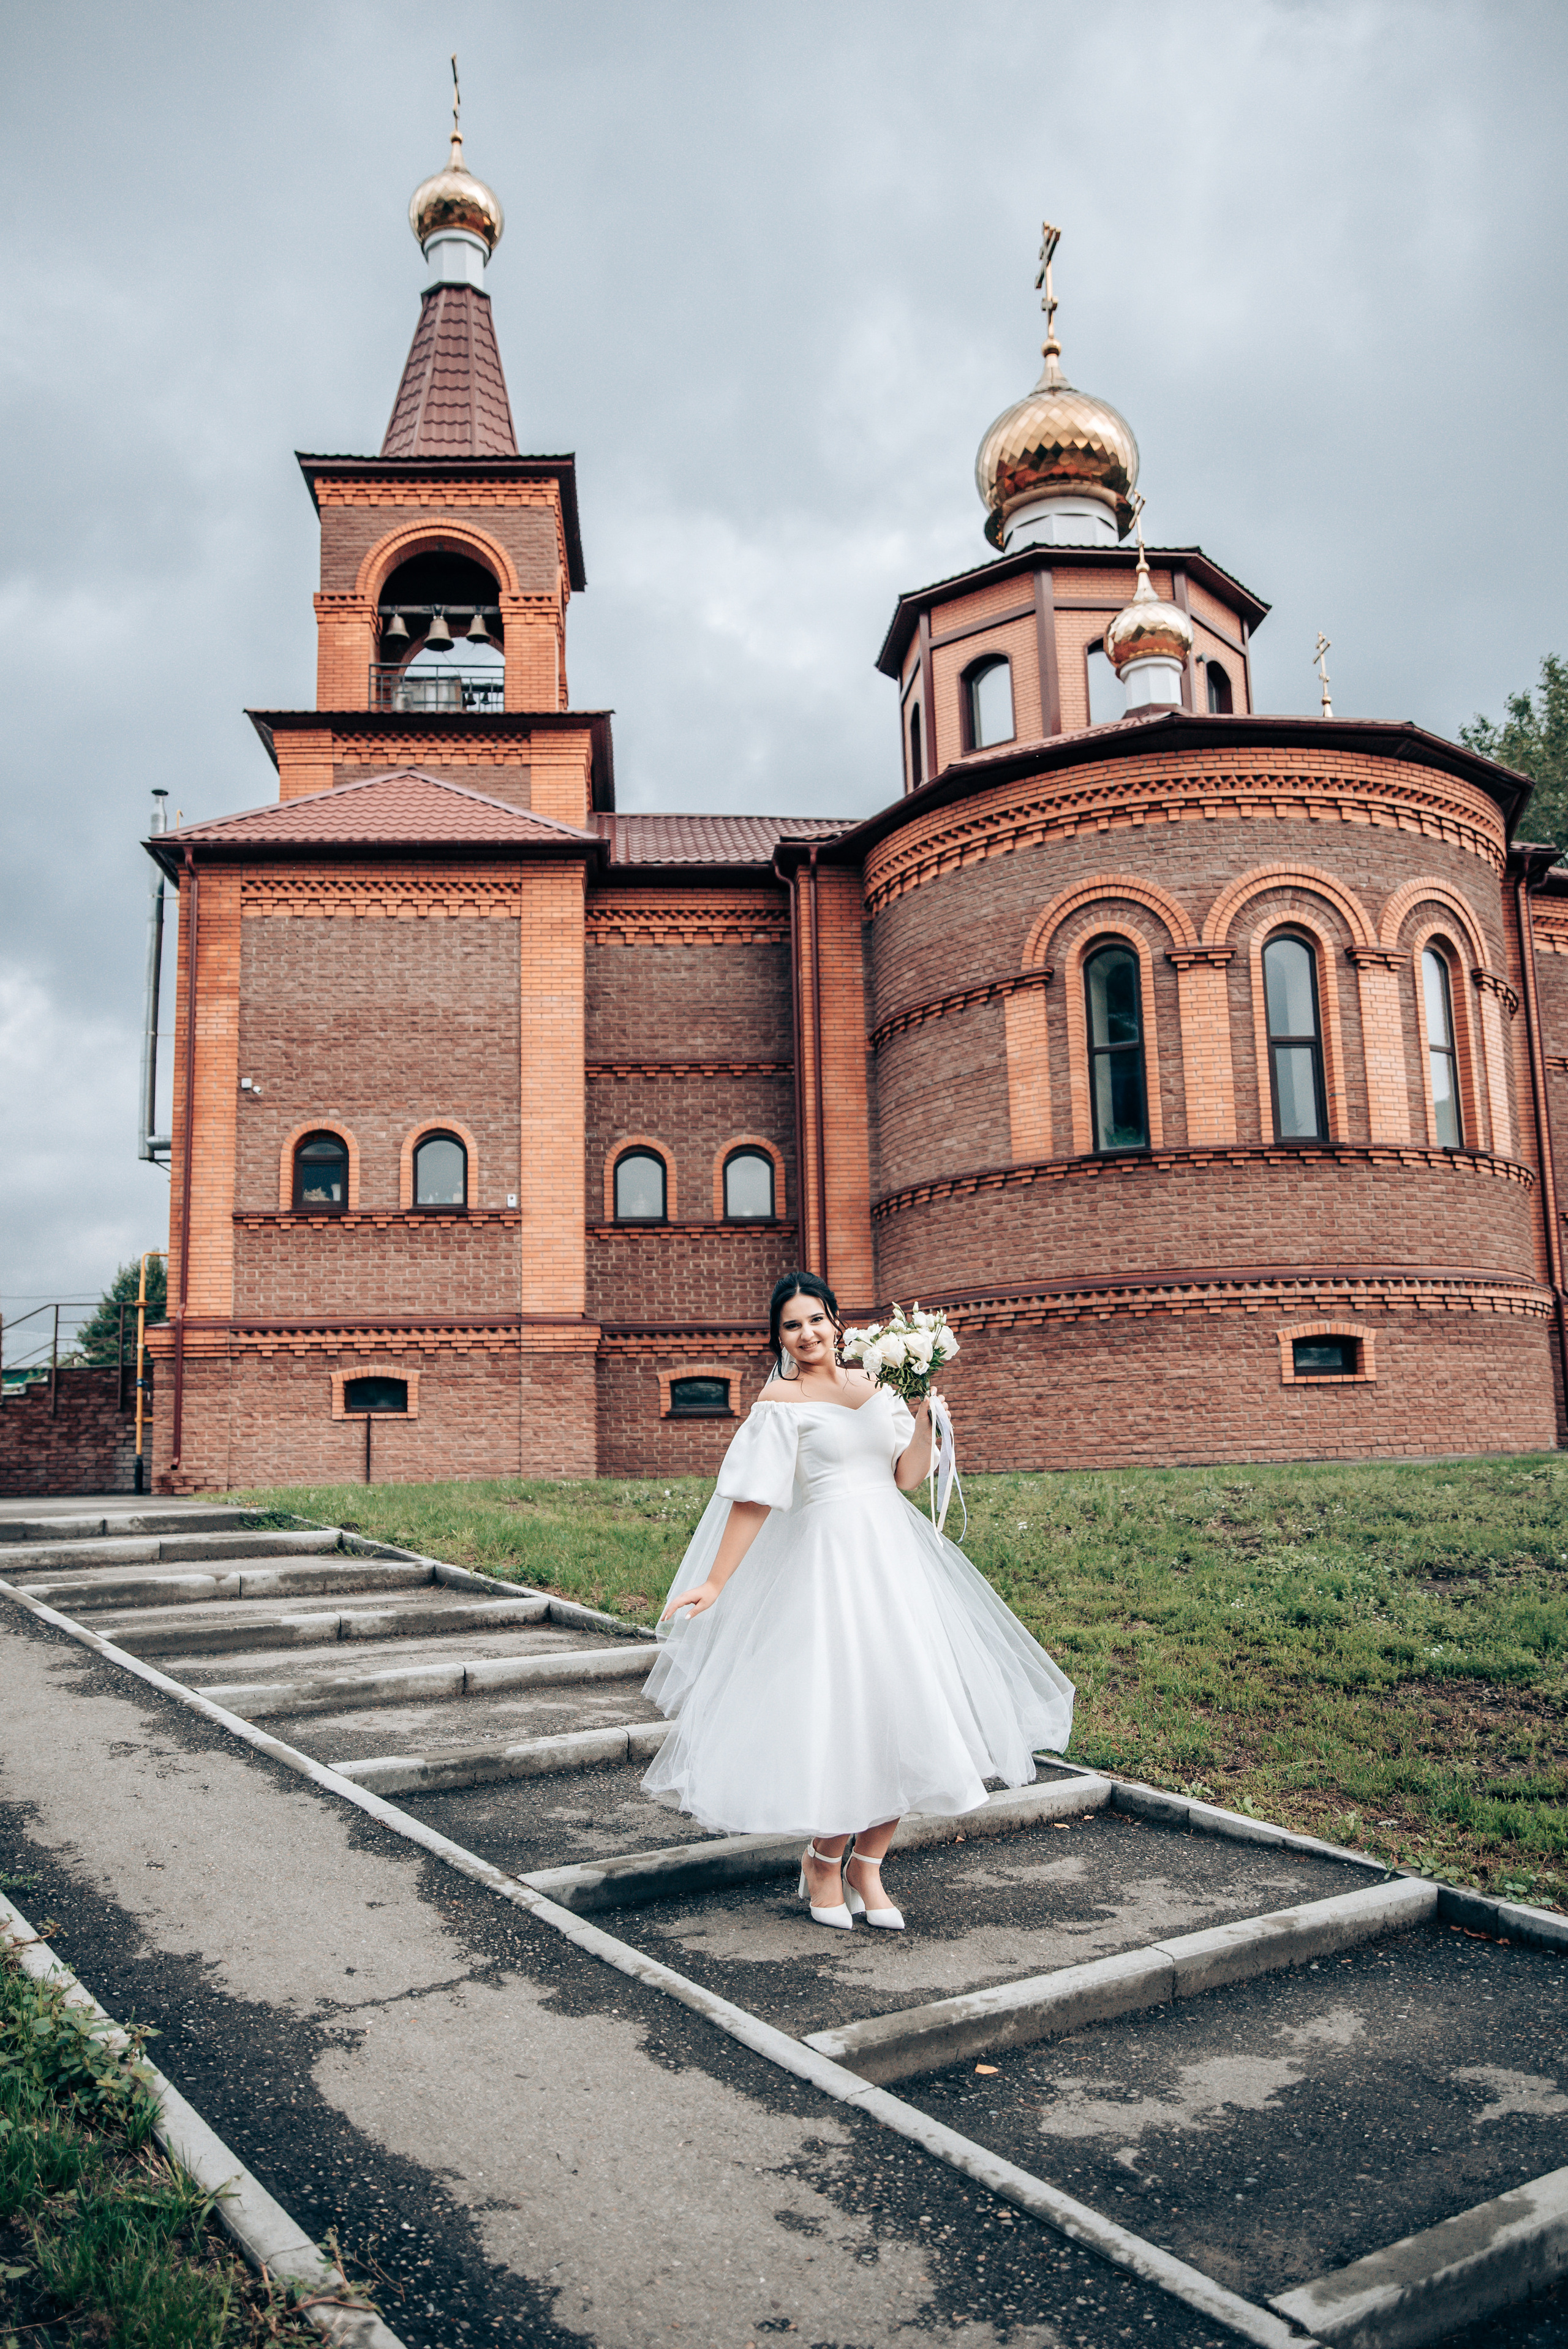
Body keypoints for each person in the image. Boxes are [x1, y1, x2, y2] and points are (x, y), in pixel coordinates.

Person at [641, 1271, 1074, 1931]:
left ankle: (868, 1865)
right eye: (791, 1325)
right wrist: (716, 1581)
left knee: (906, 1706)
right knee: (840, 1714)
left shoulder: (879, 1386)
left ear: (837, 1321)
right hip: (826, 1566)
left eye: (815, 1319)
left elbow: (904, 1476)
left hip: (894, 1562)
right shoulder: (779, 1400)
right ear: (779, 1336)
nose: (807, 1334)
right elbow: (756, 1497)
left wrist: (924, 1410)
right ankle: (822, 1858)